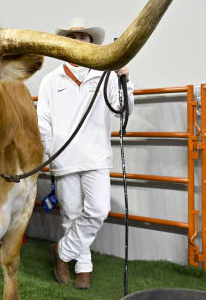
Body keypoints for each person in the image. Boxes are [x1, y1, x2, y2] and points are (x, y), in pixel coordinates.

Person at [37, 17, 135, 290]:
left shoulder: (106, 74)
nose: (78, 41)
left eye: (83, 37)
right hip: (63, 157)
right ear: (66, 42)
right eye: (73, 36)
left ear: (91, 43)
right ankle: (83, 268)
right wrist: (49, 149)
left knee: (98, 210)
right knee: (70, 213)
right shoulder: (50, 81)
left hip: (96, 156)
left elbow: (122, 109)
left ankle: (63, 253)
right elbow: (42, 120)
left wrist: (125, 80)